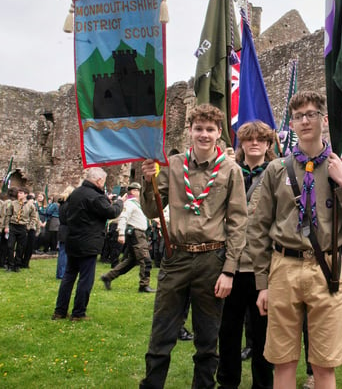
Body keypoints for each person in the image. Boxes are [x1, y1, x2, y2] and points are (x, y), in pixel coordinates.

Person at [247, 91, 342, 389]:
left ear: (324, 119)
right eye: (298, 116)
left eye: (311, 115)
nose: (305, 121)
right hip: (283, 267)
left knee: (324, 364)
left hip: (327, 269)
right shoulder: (277, 169)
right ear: (291, 123)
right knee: (283, 361)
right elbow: (258, 228)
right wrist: (262, 283)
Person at [139, 103, 248, 389]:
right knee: (161, 334)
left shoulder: (231, 170)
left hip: (212, 259)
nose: (204, 134)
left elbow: (238, 222)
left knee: (207, 339)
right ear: (189, 131)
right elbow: (152, 210)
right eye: (198, 129)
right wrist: (147, 178)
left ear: (219, 133)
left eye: (210, 129)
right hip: (176, 257)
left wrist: (229, 270)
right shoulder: (173, 165)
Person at [217, 120, 275, 389]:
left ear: (268, 144)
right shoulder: (228, 172)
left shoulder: (278, 173)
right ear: (241, 143)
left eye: (260, 140)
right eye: (249, 139)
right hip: (231, 264)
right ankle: (228, 381)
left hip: (263, 265)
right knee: (228, 329)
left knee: (263, 333)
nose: (255, 144)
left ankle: (262, 384)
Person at [52, 168, 124, 321]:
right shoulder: (95, 197)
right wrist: (119, 202)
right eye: (103, 182)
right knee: (85, 278)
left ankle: (60, 311)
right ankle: (78, 313)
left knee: (69, 277)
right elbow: (111, 212)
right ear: (99, 181)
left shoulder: (76, 193)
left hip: (73, 239)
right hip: (88, 242)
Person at [101, 182, 155, 293]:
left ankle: (108, 276)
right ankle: (144, 285)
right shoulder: (130, 204)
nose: (140, 193)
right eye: (139, 191)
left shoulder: (136, 204)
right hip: (136, 233)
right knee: (146, 260)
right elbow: (123, 218)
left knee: (131, 261)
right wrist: (121, 233)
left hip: (139, 233)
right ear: (134, 191)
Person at [6, 187, 36, 272]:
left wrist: (29, 227)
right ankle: (10, 265)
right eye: (18, 193)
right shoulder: (13, 203)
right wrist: (6, 226)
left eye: (21, 193)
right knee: (10, 246)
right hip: (13, 225)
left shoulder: (30, 205)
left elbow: (33, 217)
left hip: (23, 227)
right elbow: (8, 215)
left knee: (20, 247)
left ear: (26, 194)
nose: (19, 194)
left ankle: (17, 265)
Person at [56, 186, 75, 280]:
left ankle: (60, 272)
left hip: (62, 228)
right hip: (67, 229)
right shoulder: (69, 205)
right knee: (64, 252)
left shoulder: (62, 204)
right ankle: (62, 273)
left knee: (62, 252)